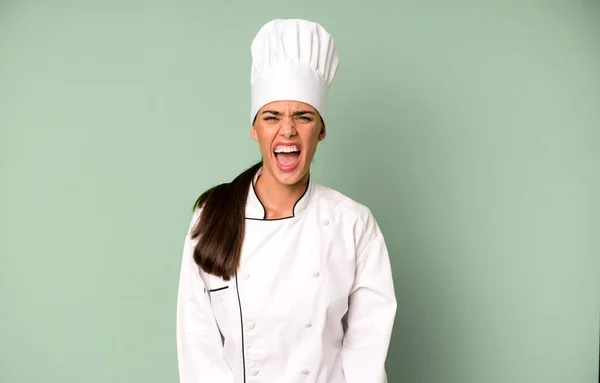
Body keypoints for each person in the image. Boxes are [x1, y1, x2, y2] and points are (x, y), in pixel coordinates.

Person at [176, 18, 397, 383]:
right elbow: (198, 344)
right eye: (272, 117)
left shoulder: (354, 225)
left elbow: (366, 356)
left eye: (303, 116)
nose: (288, 130)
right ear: (255, 128)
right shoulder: (212, 216)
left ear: (321, 129)